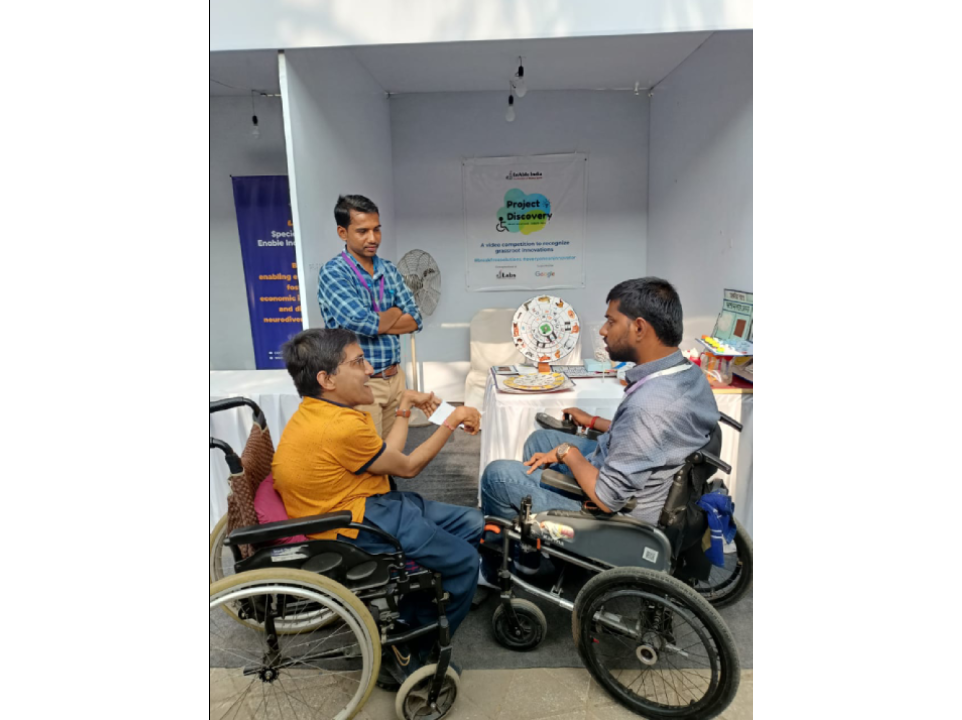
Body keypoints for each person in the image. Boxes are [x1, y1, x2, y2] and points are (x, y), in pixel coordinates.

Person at [272, 328, 483, 684]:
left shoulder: (322, 411)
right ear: (327, 379)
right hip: (357, 522)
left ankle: (417, 609)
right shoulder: (339, 426)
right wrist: (454, 418)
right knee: (465, 562)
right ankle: (410, 649)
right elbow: (410, 467)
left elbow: (388, 455)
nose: (370, 369)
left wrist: (403, 408)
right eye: (358, 362)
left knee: (473, 523)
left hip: (369, 503)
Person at [481, 277, 720, 545]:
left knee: (497, 476)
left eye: (611, 321)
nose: (603, 331)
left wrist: (567, 454)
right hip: (637, 478)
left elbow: (607, 498)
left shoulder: (650, 405)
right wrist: (594, 421)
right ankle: (540, 541)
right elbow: (657, 436)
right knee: (540, 440)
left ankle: (522, 566)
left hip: (624, 519)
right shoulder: (687, 373)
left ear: (639, 328)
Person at [318, 195, 421, 438]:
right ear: (343, 233)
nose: (372, 238)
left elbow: (415, 319)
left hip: (395, 378)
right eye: (362, 231)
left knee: (390, 453)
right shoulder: (334, 273)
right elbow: (361, 323)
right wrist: (396, 312)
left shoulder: (389, 269)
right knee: (366, 457)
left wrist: (379, 321)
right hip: (359, 382)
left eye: (376, 230)